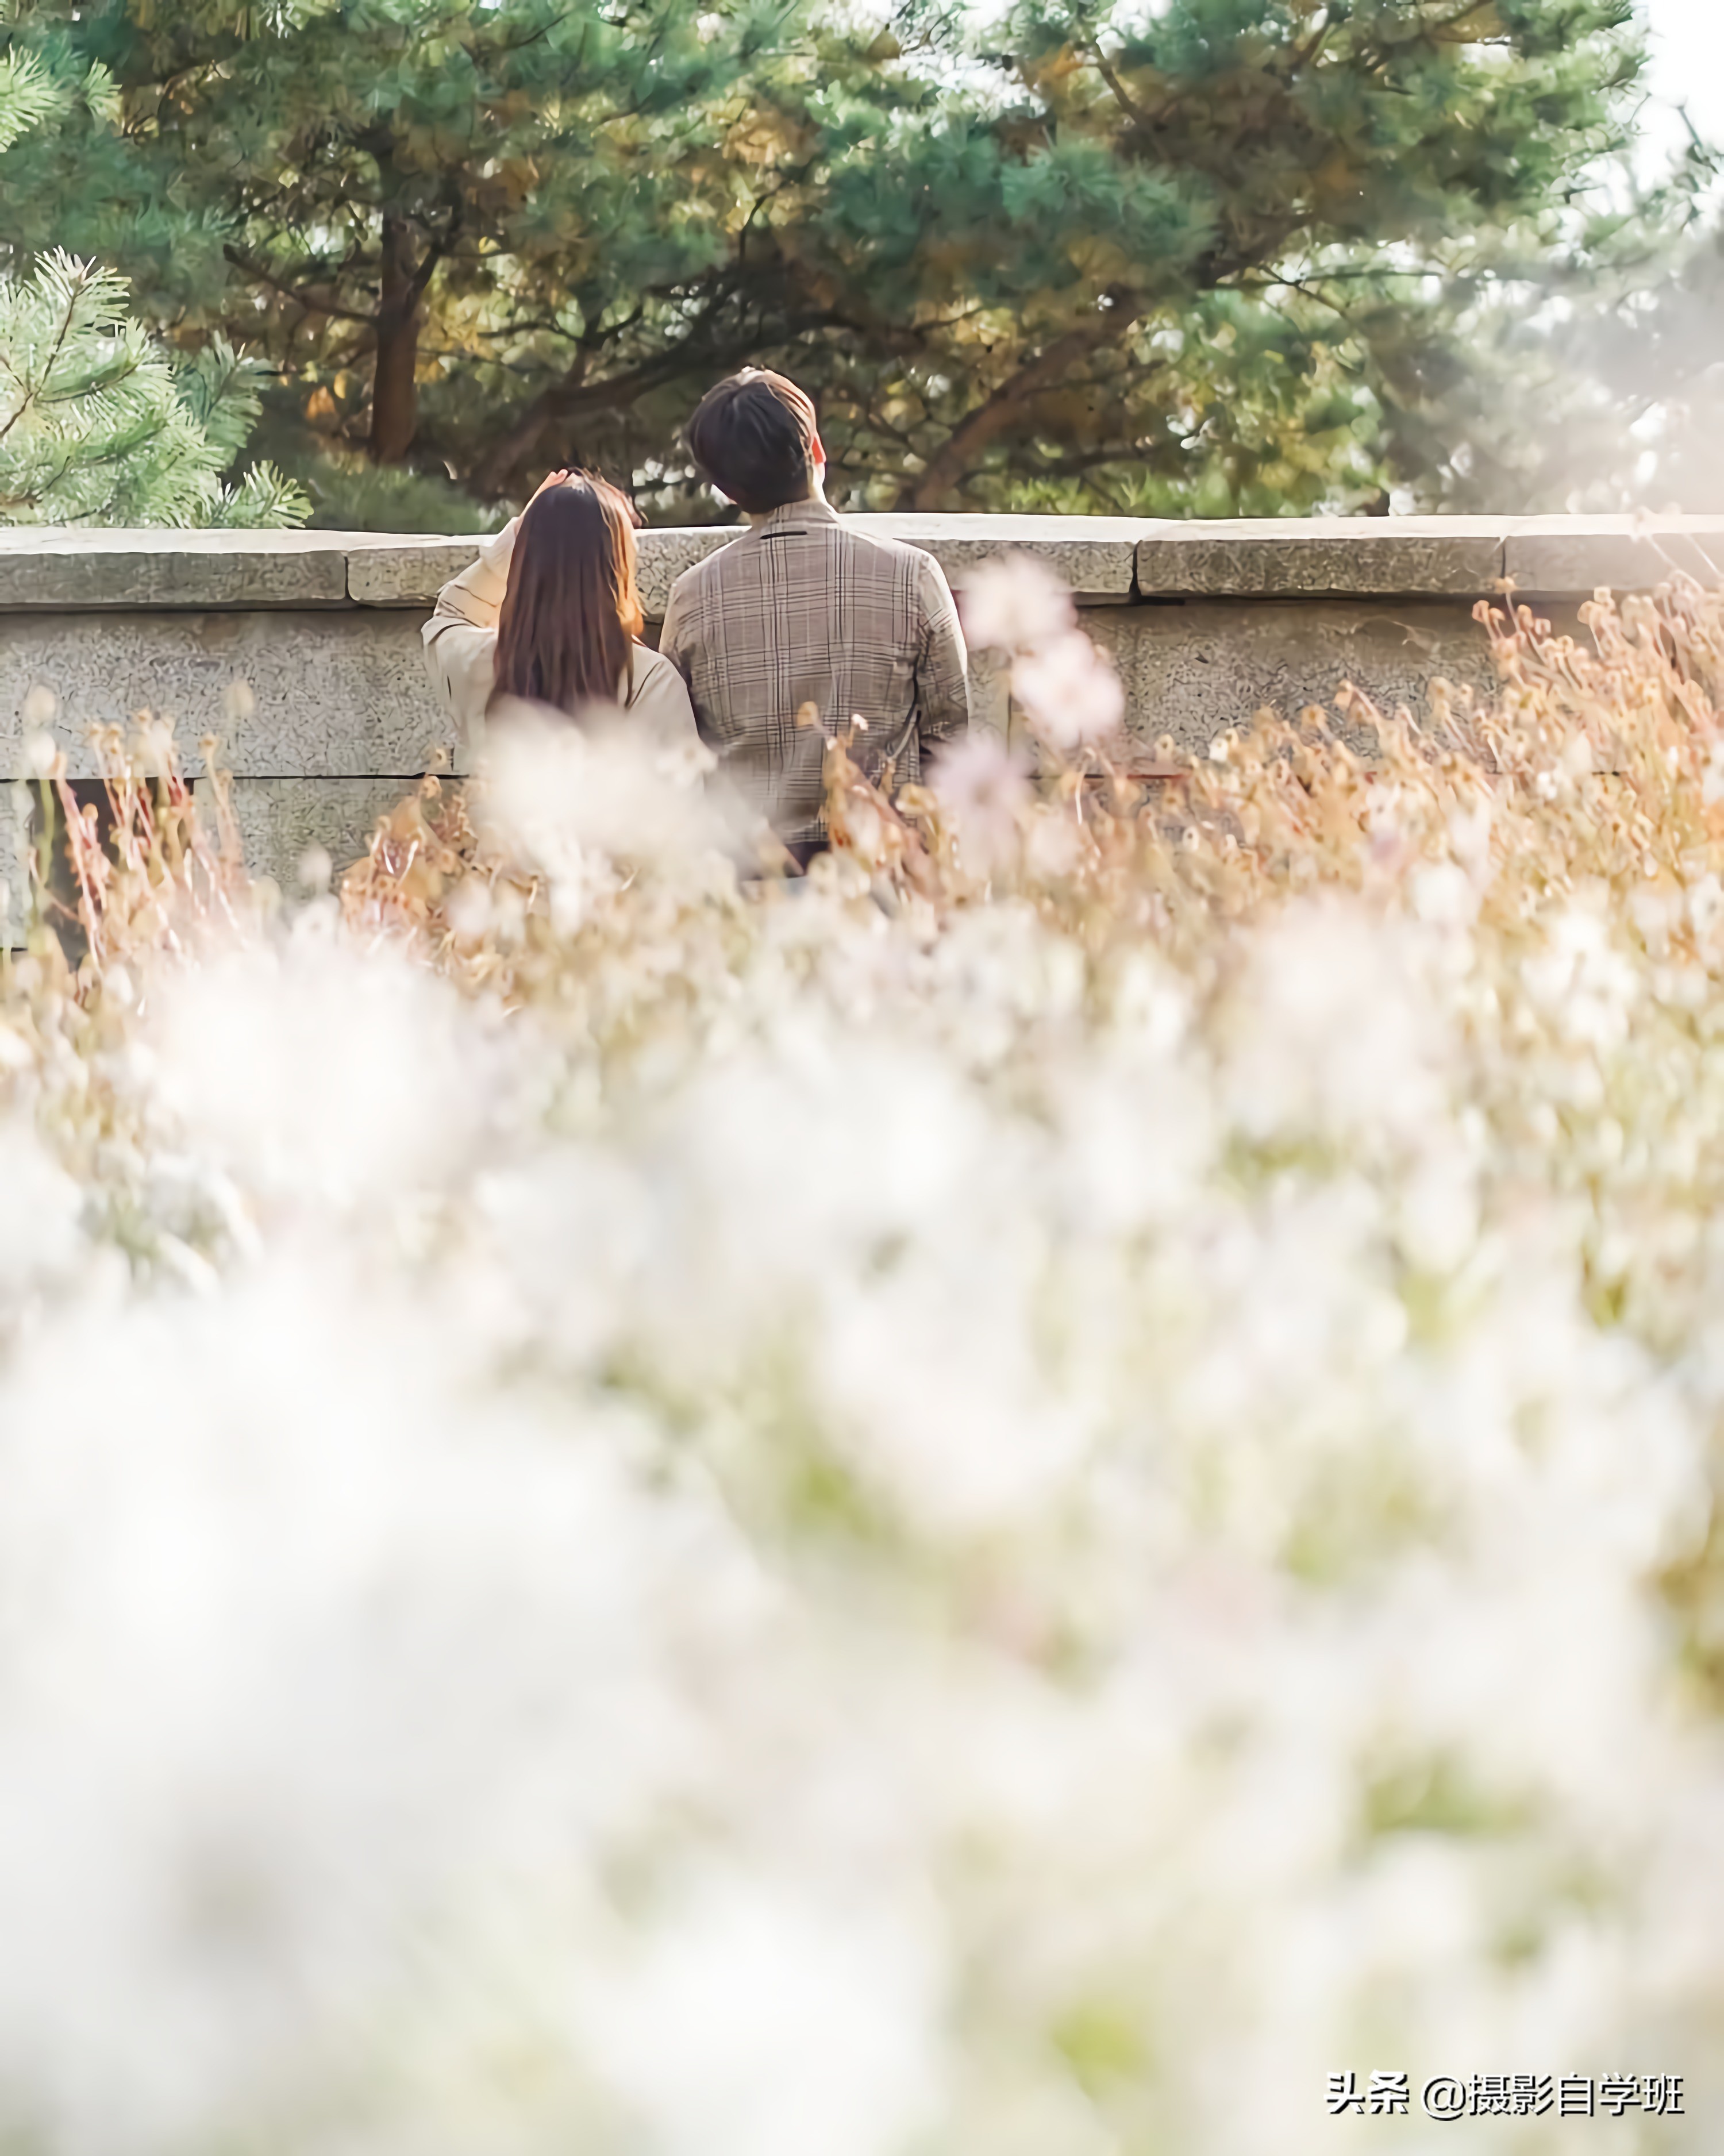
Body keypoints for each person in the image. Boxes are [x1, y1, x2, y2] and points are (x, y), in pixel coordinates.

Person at [659, 369, 970, 868]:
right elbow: (951, 745)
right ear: (817, 449)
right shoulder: (912, 575)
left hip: (749, 889)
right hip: (880, 877)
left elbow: (675, 750)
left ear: (727, 489)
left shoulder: (692, 597)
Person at [422, 468, 697, 746]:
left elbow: (452, 613)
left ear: (525, 563)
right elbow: (682, 787)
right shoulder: (651, 679)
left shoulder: (481, 663)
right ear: (619, 567)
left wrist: (518, 535)